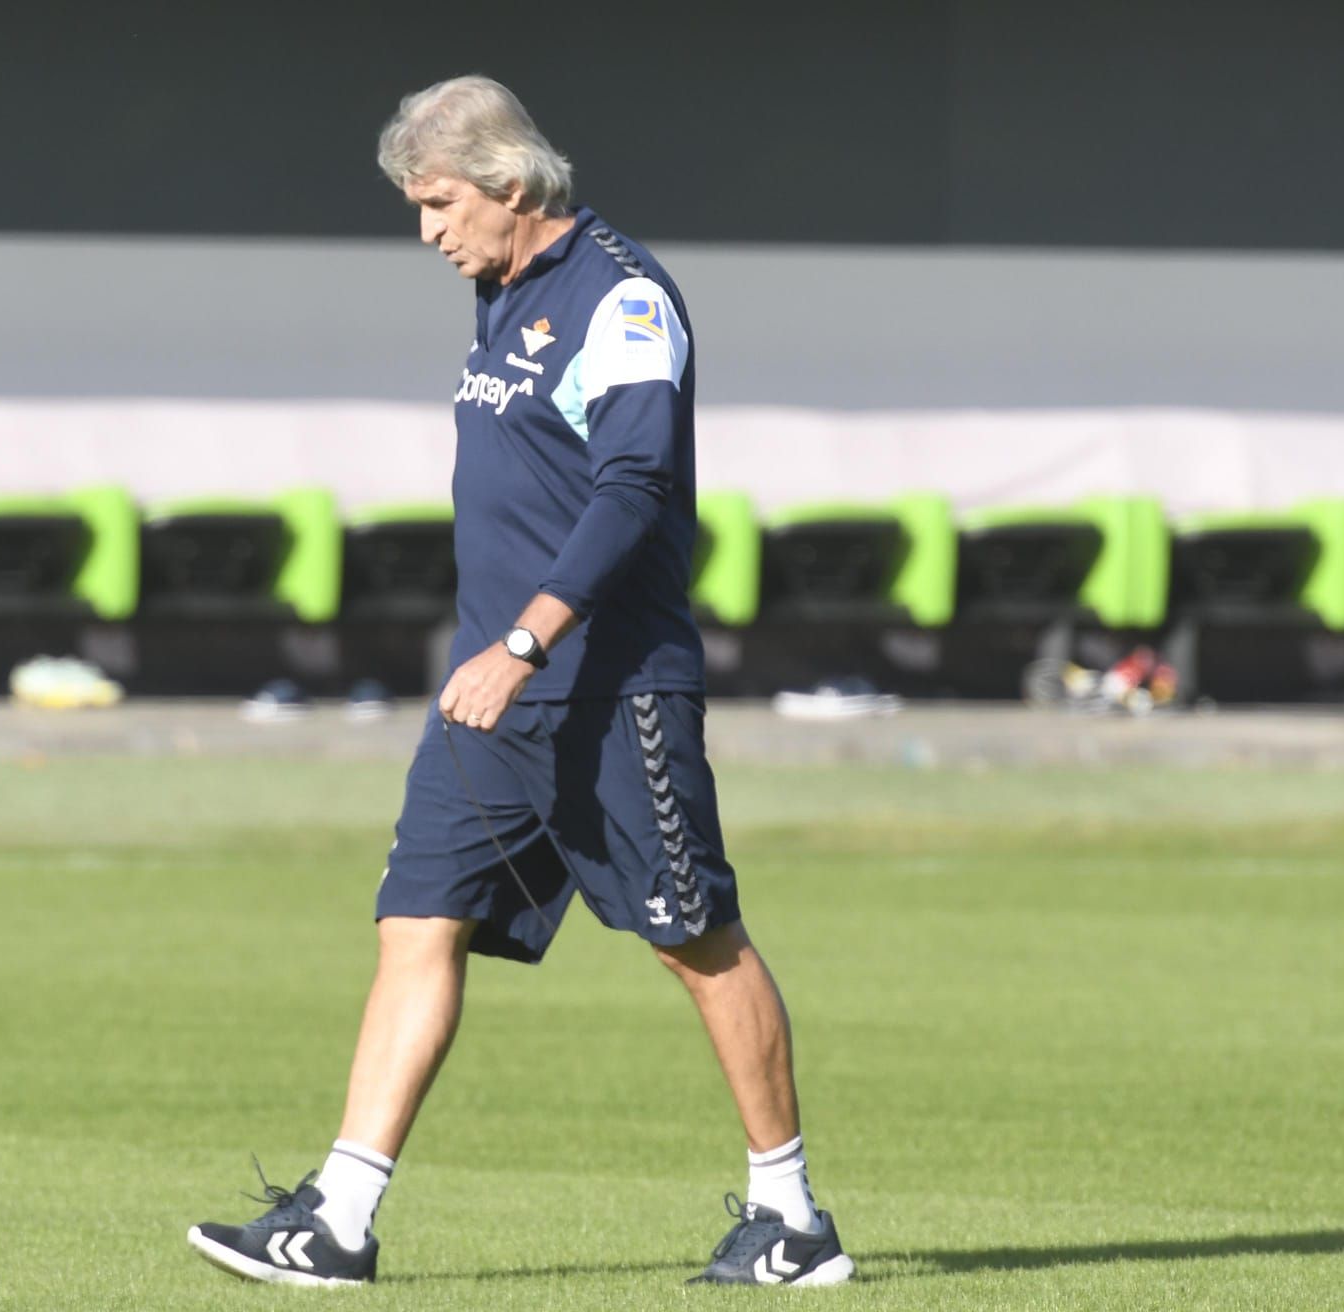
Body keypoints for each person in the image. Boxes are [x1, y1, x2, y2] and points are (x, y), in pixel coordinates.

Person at [188, 74, 853, 1289]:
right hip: (486, 698)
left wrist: (527, 641)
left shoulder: (624, 301)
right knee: (413, 921)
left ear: (508, 185)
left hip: (604, 687)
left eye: (439, 203)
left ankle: (792, 1216)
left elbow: (630, 491)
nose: (428, 232)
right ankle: (337, 1217)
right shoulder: (501, 294)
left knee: (693, 939)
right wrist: (489, 656)